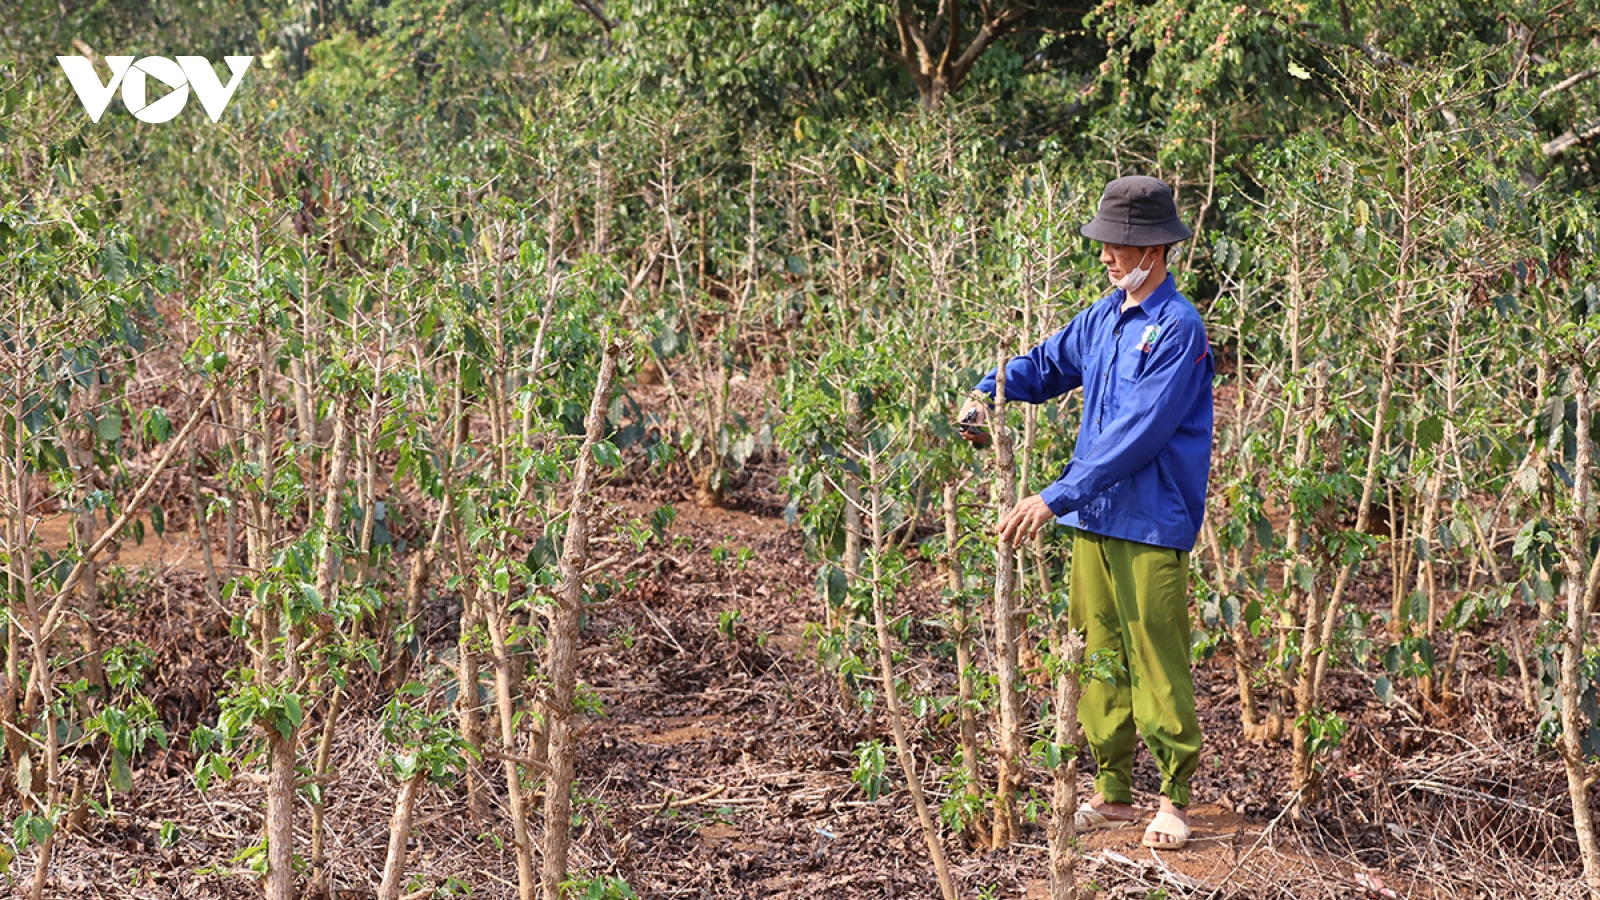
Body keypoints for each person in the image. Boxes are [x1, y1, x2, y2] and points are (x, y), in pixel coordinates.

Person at [958, 175, 1213, 850]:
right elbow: (1044, 365)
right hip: (1094, 518)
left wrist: (1052, 496)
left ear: (1154, 251)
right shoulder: (1103, 318)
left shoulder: (1177, 330)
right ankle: (1113, 791)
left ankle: (1174, 796)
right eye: (1104, 243)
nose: (1106, 255)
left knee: (1155, 653)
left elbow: (1139, 433)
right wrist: (987, 393)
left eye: (1119, 245)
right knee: (1097, 653)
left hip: (1152, 519)